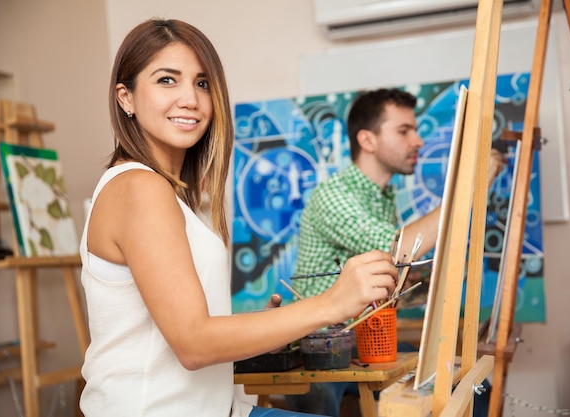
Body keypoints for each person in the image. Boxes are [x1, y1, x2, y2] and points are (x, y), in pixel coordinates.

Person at [79, 19, 401, 417]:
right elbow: (193, 343)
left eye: (201, 83)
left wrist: (262, 330)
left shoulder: (171, 193)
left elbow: (190, 326)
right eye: (167, 80)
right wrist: (332, 302)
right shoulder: (139, 188)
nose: (190, 99)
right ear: (125, 98)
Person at [287, 88, 506, 416]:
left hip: (366, 340)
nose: (418, 141)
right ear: (368, 140)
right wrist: (470, 188)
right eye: (404, 131)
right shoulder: (333, 196)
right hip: (320, 346)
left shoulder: (382, 199)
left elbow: (401, 276)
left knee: (471, 385)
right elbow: (400, 251)